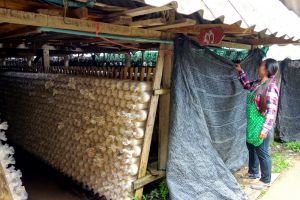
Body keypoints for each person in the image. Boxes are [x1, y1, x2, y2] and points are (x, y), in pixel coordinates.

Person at [234, 59, 279, 190]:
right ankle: (253, 172)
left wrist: (264, 129)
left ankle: (265, 180)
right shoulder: (258, 83)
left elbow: (271, 111)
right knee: (251, 147)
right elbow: (247, 85)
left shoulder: (271, 87)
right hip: (253, 124)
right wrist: (240, 71)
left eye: (260, 66)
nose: (258, 68)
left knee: (263, 152)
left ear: (266, 69)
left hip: (262, 125)